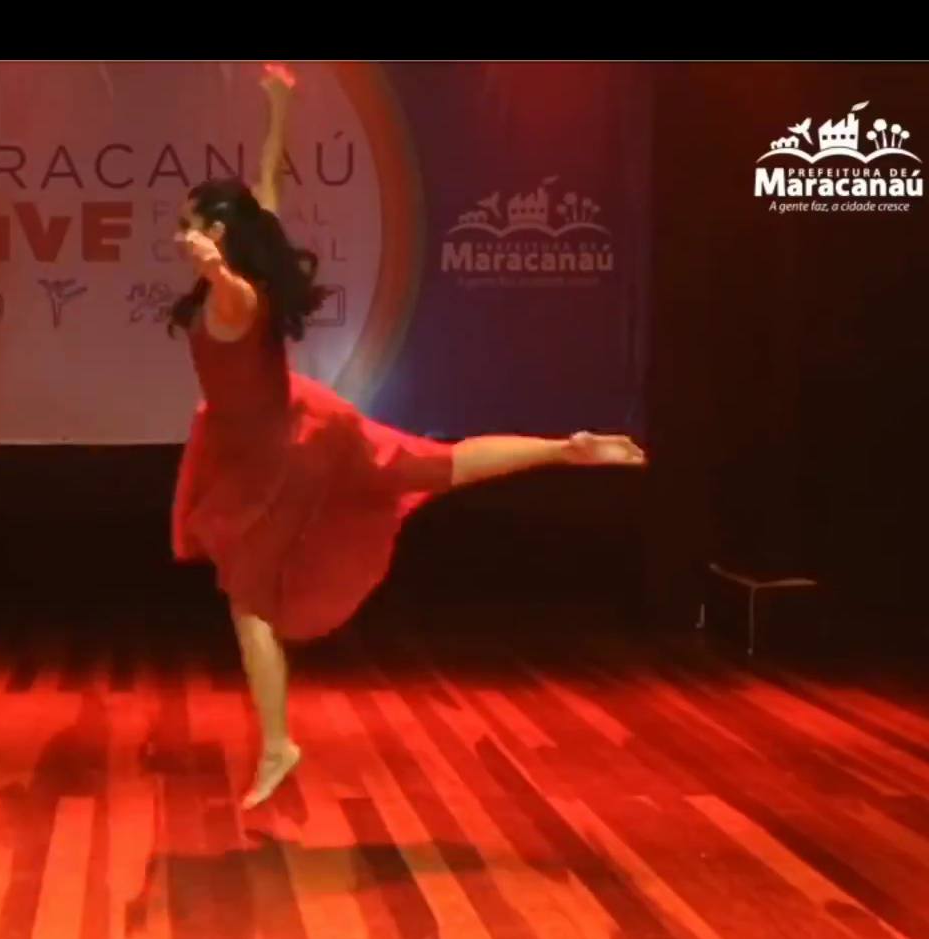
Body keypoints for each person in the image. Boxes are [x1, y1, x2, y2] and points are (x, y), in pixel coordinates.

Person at [169, 64, 645, 809]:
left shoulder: (234, 296)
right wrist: (279, 111)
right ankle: (566, 448)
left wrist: (216, 268)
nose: (180, 234)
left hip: (279, 452)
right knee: (433, 466)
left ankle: (278, 745)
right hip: (301, 425)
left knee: (249, 600)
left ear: (217, 235)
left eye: (189, 223)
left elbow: (235, 294)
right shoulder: (247, 265)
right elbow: (268, 191)